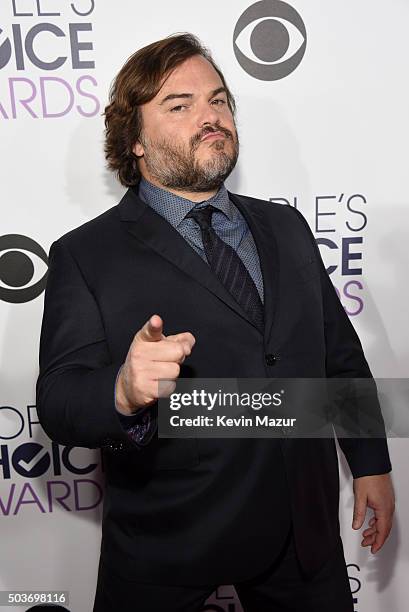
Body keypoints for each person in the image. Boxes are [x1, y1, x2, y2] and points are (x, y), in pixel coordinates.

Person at [36, 33, 395, 612]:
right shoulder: (85, 253)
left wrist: (371, 463)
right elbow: (57, 399)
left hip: (302, 535)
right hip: (168, 543)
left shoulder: (287, 229)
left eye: (220, 101)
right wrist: (123, 391)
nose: (211, 117)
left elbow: (339, 357)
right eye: (179, 106)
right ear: (134, 141)